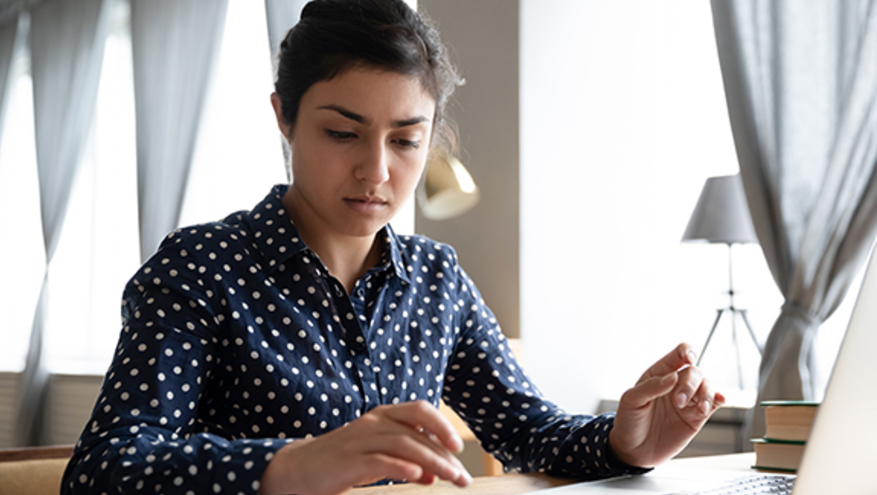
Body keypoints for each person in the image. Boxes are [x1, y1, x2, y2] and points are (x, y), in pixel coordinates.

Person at [61, 1, 725, 494]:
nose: (376, 171)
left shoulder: (435, 278)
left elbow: (527, 431)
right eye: (342, 133)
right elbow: (105, 466)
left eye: (406, 139)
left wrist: (625, 443)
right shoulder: (202, 268)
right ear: (283, 117)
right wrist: (287, 464)